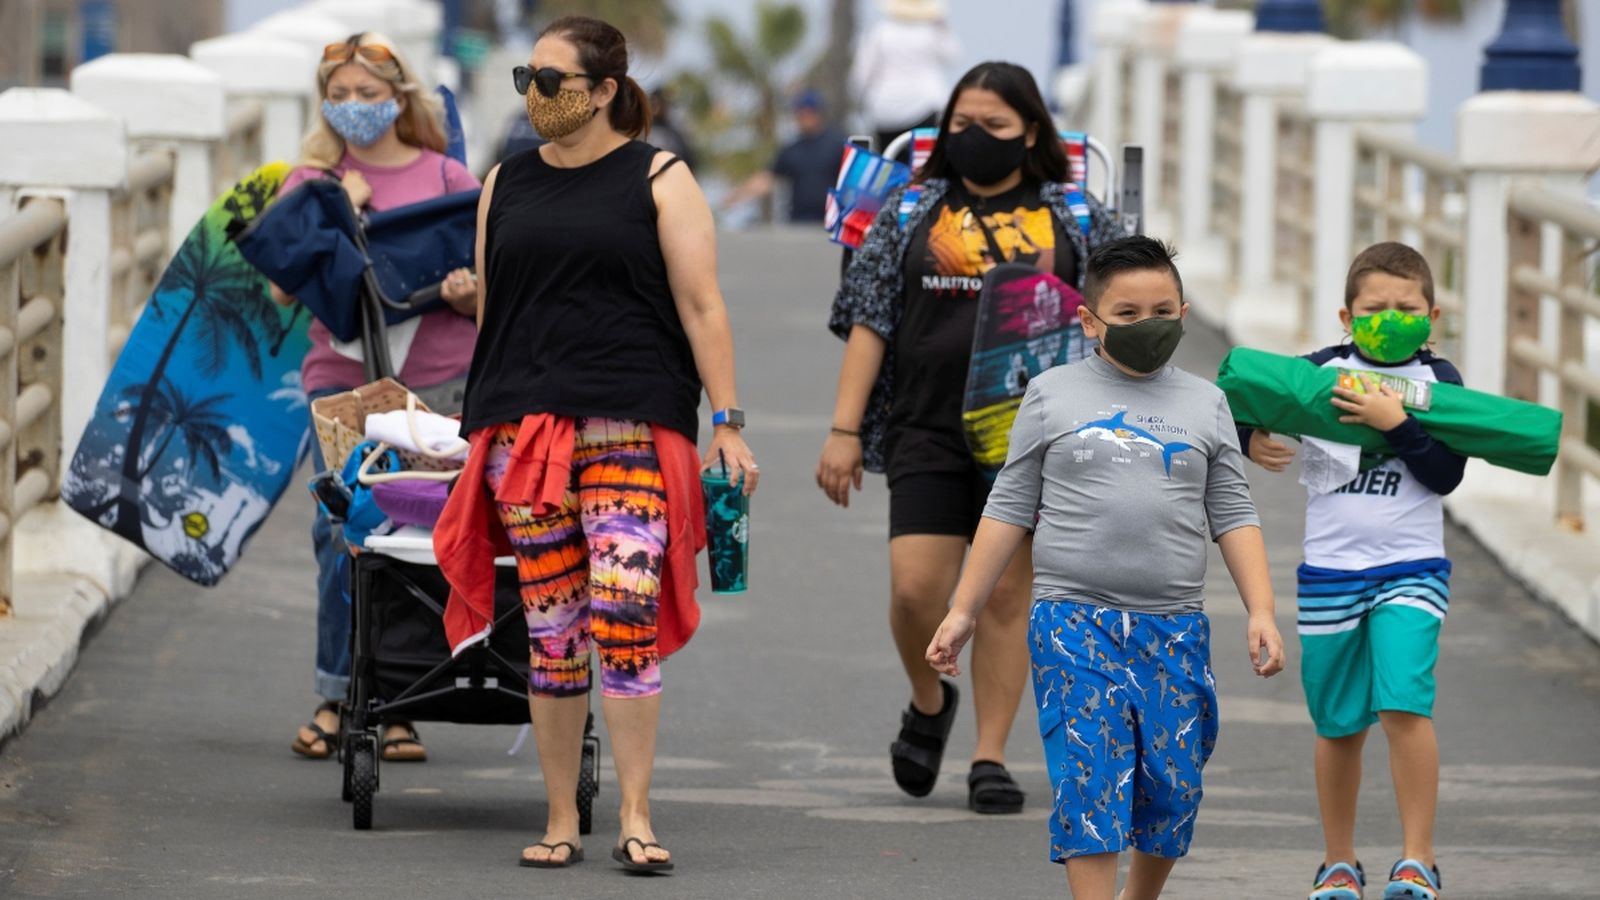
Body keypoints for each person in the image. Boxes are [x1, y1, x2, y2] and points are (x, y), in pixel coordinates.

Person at [448, 15, 758, 872]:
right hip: (525, 436)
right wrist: (473, 424)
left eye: (552, 81)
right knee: (552, 632)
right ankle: (558, 819)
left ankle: (635, 814)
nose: (536, 95)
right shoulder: (504, 181)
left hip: (627, 427)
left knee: (623, 614)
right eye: (527, 79)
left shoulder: (661, 177)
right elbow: (493, 314)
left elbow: (702, 307)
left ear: (605, 90)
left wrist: (727, 422)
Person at [926, 235, 1287, 900]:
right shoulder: (1050, 394)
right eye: (1127, 313)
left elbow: (1233, 512)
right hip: (1072, 620)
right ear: (1089, 322)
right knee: (1091, 779)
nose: (1147, 324)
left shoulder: (1206, 404)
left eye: (1162, 310)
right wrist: (963, 609)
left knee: (1173, 786)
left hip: (1174, 627)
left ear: (1182, 312)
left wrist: (1262, 610)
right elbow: (1010, 503)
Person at [818, 61, 1123, 815]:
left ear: (1031, 133)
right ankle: (929, 701)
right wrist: (843, 429)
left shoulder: (1075, 219)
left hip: (1034, 438)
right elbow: (869, 318)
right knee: (915, 589)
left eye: (993, 126)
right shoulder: (911, 209)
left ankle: (990, 755)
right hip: (925, 423)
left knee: (1005, 596)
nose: (973, 138)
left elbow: (1128, 311)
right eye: (960, 124)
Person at [276, 32, 481, 764]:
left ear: (401, 96)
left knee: (418, 543)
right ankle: (338, 692)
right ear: (324, 102)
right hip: (344, 387)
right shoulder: (310, 180)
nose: (355, 107)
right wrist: (336, 210)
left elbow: (496, 290)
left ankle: (403, 703)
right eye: (340, 95)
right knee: (341, 536)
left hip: (440, 383)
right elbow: (283, 289)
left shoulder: (452, 177)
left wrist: (469, 293)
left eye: (369, 94)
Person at [1241, 242, 1461, 900]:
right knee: (1338, 724)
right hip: (1331, 573)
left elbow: (1446, 474)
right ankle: (1338, 862)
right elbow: (1243, 392)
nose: (1390, 317)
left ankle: (1417, 859)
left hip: (1412, 569)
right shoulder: (1320, 370)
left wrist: (1399, 425)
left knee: (1403, 703)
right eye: (1375, 308)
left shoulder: (1439, 380)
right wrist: (1250, 430)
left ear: (1432, 315)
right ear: (1346, 313)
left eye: (1407, 308)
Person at [850, 0, 961, 156]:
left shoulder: (880, 32)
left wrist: (861, 103)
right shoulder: (929, 31)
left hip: (885, 111)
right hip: (924, 106)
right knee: (923, 166)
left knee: (890, 161)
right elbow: (952, 56)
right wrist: (941, 23)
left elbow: (861, 74)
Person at [720, 89, 846, 224]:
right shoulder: (791, 150)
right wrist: (736, 196)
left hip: (831, 223)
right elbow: (767, 179)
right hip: (799, 223)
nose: (804, 117)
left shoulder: (837, 144)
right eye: (800, 113)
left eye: (809, 112)